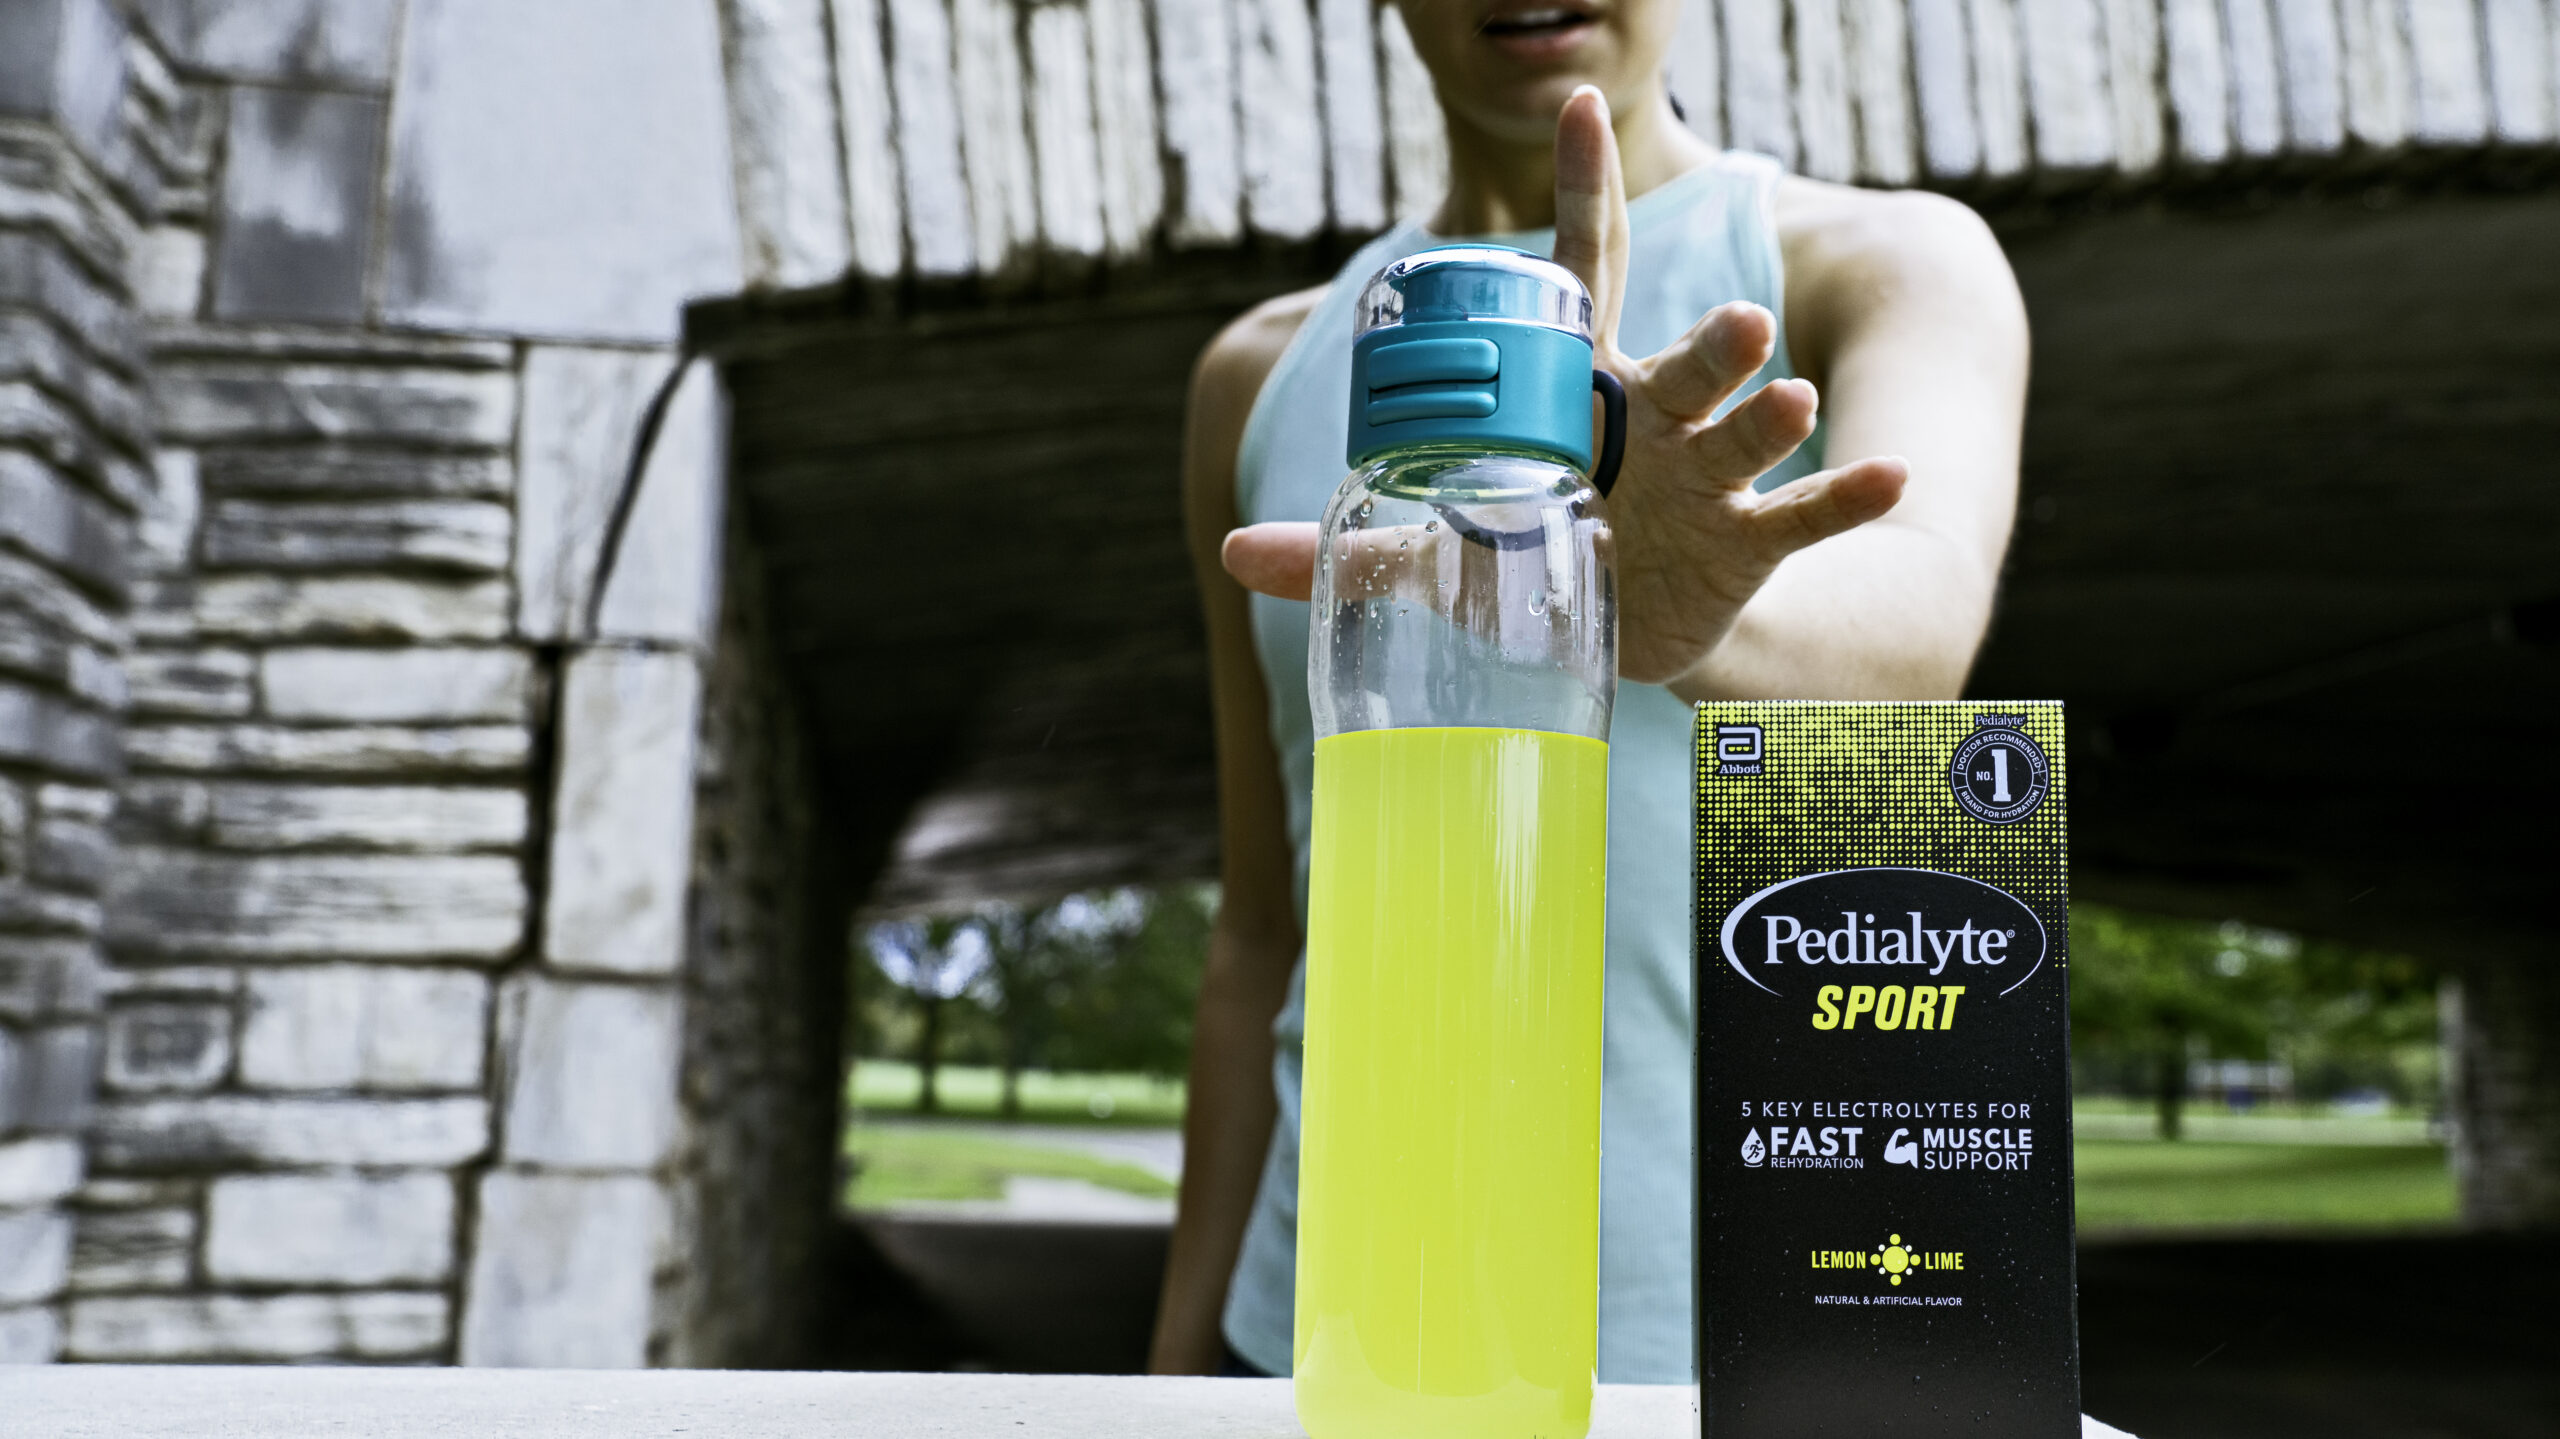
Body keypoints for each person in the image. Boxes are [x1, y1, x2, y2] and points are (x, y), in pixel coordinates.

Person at [1149, 0, 2029, 1383]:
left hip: (1728, 1342)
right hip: (1334, 1327)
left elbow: (1919, 626)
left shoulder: (1877, 263)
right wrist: (1170, 1370)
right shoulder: (1262, 370)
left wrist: (1694, 614)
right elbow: (1262, 930)